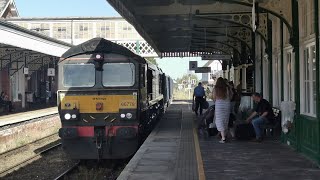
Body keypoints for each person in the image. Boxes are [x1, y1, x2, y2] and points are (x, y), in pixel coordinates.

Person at [212, 77, 231, 143]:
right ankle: (224, 135)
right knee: (225, 119)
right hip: (227, 104)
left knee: (219, 120)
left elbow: (214, 97)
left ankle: (223, 138)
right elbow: (230, 96)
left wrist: (216, 102)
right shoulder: (227, 88)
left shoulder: (215, 88)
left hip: (219, 104)